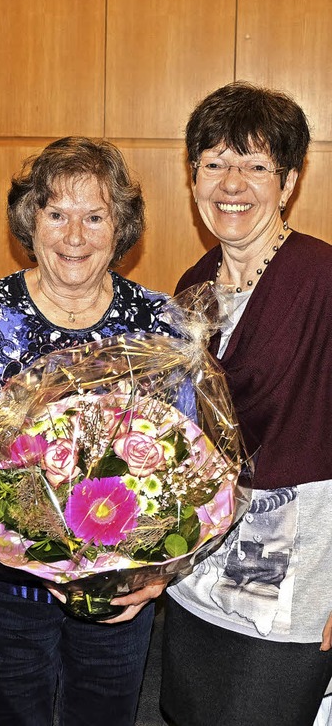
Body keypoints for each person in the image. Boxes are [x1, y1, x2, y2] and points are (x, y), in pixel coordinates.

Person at [0, 136, 169, 726]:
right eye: (57, 214)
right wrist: (25, 538)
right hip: (4, 592)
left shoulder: (158, 323)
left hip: (116, 594)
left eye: (94, 216)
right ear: (31, 220)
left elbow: (191, 469)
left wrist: (155, 572)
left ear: (120, 227)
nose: (74, 236)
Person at [160, 82, 332, 726]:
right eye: (214, 163)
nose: (233, 182)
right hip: (202, 567)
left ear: (286, 183)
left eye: (256, 165)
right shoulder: (193, 285)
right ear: (194, 178)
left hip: (298, 568)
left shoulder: (322, 278)